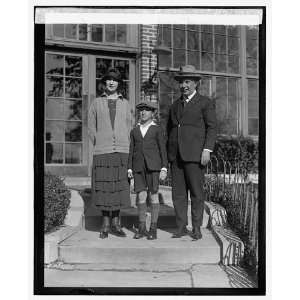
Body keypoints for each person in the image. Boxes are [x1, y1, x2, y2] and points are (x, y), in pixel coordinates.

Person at [166, 65, 217, 240]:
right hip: (176, 156)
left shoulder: (205, 103)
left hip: (195, 155)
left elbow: (212, 128)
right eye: (181, 82)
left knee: (196, 193)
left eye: (187, 81)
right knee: (178, 195)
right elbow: (169, 131)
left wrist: (207, 150)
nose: (183, 85)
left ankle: (196, 228)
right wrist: (168, 157)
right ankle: (180, 227)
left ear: (196, 83)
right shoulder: (174, 106)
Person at [88, 67, 132, 239]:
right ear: (104, 83)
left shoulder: (125, 103)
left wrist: (125, 143)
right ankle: (105, 223)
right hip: (103, 151)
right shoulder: (96, 103)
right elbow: (91, 127)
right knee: (105, 188)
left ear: (119, 84)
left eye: (115, 80)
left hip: (122, 151)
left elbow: (130, 125)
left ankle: (117, 223)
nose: (111, 82)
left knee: (119, 187)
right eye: (108, 79)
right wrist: (99, 141)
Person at [128, 101, 168, 240]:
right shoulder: (134, 130)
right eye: (141, 110)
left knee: (153, 195)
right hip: (138, 167)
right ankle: (141, 227)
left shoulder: (156, 129)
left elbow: (163, 149)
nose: (143, 113)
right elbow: (131, 150)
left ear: (152, 113)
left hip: (153, 167)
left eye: (147, 110)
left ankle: (153, 228)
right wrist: (129, 168)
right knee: (140, 196)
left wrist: (164, 167)